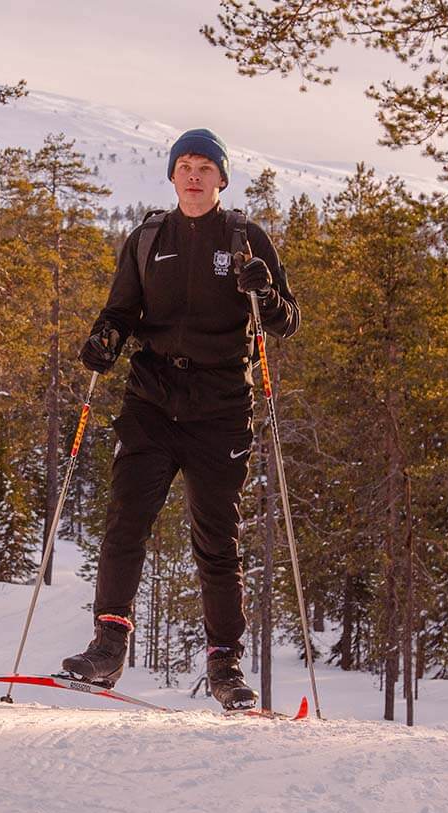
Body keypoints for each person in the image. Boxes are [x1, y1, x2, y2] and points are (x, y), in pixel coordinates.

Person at [60, 128, 300, 710]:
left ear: (221, 178)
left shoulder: (246, 239)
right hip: (152, 399)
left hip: (220, 409)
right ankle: (107, 646)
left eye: (205, 166)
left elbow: (286, 320)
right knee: (125, 521)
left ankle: (225, 666)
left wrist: (264, 296)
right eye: (184, 165)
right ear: (172, 176)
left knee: (216, 540)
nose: (193, 175)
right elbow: (120, 310)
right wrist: (104, 340)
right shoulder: (148, 237)